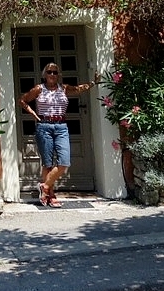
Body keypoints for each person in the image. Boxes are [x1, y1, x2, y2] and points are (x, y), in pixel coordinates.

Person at [18, 63, 101, 207]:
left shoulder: (63, 88)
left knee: (64, 162)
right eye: (49, 72)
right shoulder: (39, 89)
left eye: (55, 73)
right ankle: (51, 195)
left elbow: (79, 89)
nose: (52, 75)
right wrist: (33, 114)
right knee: (48, 164)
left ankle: (44, 186)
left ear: (58, 75)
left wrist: (93, 83)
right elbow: (22, 100)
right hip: (44, 126)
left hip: (61, 126)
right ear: (44, 75)